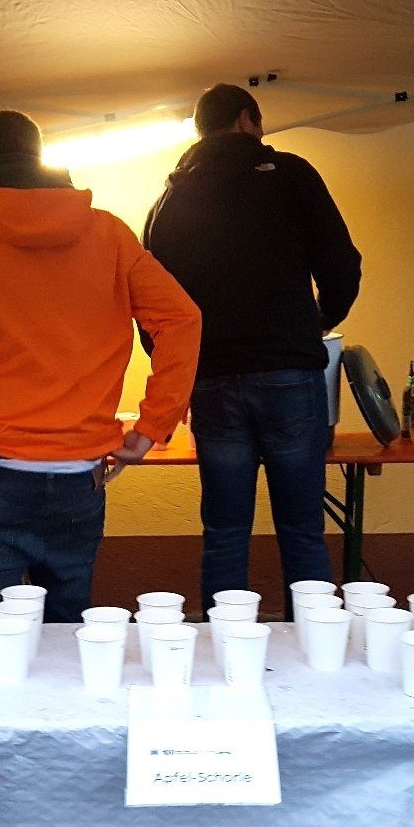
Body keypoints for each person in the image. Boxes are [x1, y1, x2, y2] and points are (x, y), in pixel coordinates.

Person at [0, 110, 201, 622]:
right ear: (40, 158)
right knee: (66, 641)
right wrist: (151, 426)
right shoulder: (108, 233)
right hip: (78, 477)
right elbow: (182, 319)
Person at [143, 84, 362, 615]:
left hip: (213, 377)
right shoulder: (291, 175)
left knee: (224, 531)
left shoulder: (170, 198)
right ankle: (312, 645)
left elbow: (150, 300)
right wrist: (315, 324)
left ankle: (224, 645)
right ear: (247, 119)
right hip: (289, 372)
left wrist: (177, 367)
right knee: (302, 529)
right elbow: (342, 265)